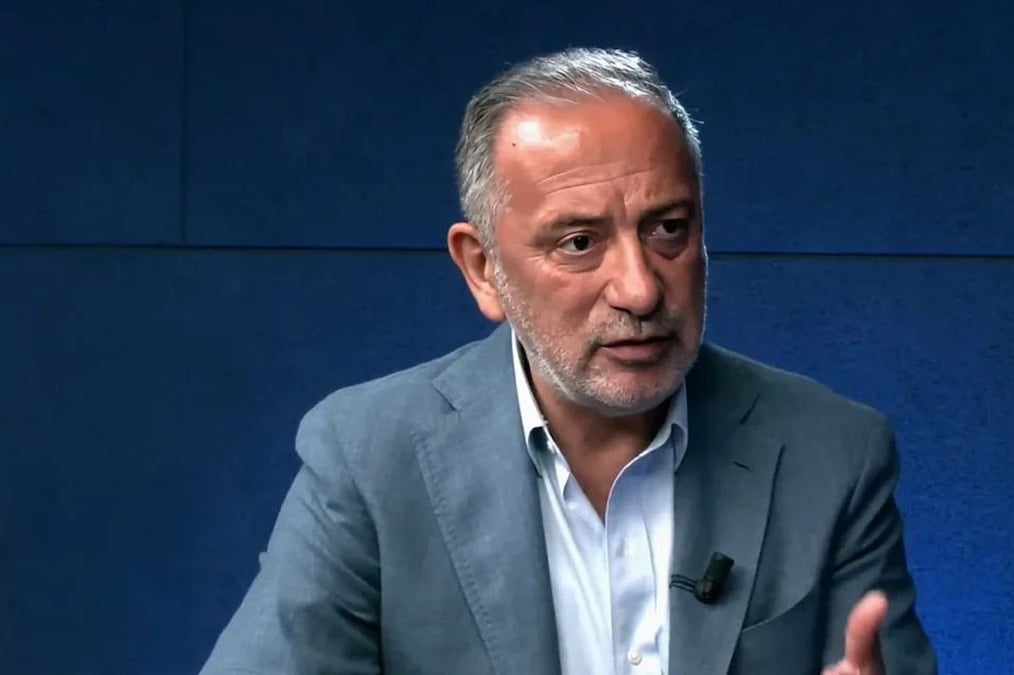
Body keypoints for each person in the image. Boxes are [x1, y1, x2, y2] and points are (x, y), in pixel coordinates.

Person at [200, 47, 937, 675]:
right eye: (579, 242)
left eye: (668, 229)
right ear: (483, 269)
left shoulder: (834, 452)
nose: (640, 289)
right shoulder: (370, 456)